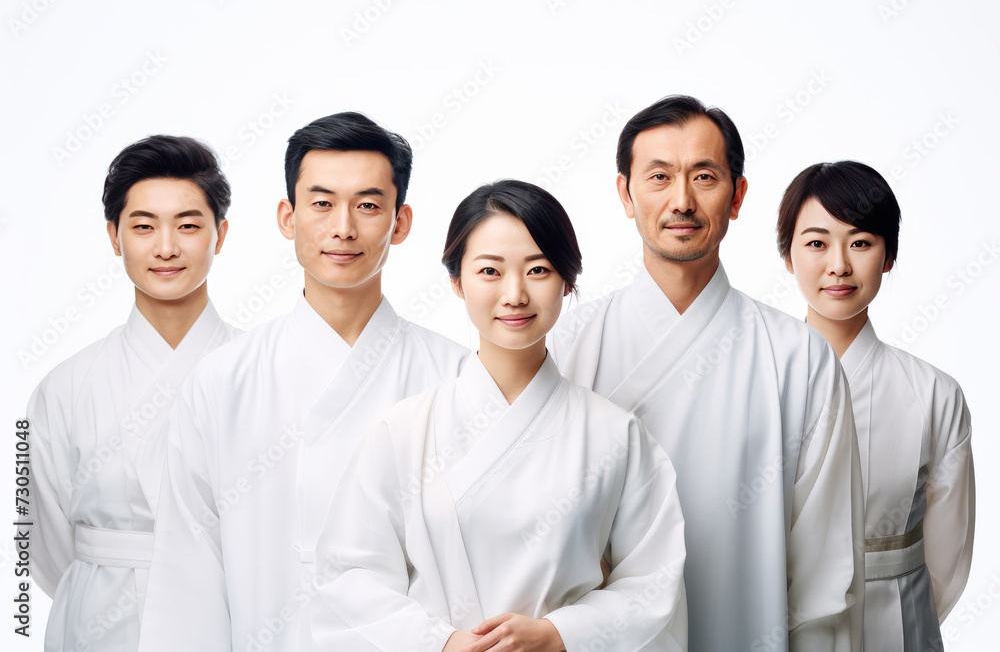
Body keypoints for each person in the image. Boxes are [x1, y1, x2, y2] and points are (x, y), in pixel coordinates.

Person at [137, 112, 469, 652]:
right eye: (321, 203)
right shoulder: (224, 380)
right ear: (287, 218)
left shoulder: (454, 376)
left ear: (400, 222)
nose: (343, 228)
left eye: (367, 205)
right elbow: (186, 572)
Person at [310, 179, 687, 652]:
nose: (514, 294)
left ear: (567, 281)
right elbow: (350, 576)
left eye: (539, 270)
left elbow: (654, 583)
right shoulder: (404, 432)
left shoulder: (616, 435)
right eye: (490, 271)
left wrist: (559, 634)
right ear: (456, 281)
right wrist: (441, 643)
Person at [548, 95, 865, 651]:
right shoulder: (568, 344)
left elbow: (826, 573)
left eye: (704, 176)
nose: (682, 201)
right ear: (625, 193)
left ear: (738, 195)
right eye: (659, 177)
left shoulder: (798, 358)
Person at [25, 135, 240, 652]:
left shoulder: (264, 371)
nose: (166, 247)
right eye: (144, 227)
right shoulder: (66, 385)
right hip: (100, 624)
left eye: (188, 225)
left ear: (221, 234)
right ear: (114, 236)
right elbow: (47, 541)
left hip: (234, 617)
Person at [777, 160, 975, 651]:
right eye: (817, 243)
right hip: (777, 625)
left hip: (898, 623)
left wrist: (909, 620)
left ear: (888, 257)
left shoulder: (934, 393)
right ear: (788, 258)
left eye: (861, 242)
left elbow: (948, 555)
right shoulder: (753, 382)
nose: (839, 264)